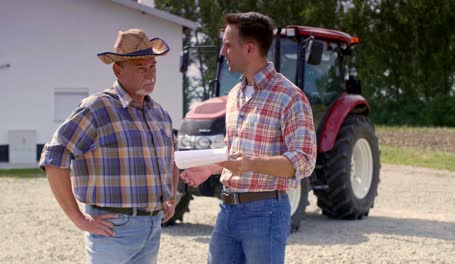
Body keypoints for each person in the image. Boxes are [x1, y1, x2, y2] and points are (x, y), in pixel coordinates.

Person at [180, 12, 316, 264]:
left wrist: (252, 163)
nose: (223, 51)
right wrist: (208, 169)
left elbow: (304, 161)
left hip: (266, 212)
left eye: (228, 44)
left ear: (250, 48)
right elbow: (233, 154)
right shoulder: (234, 95)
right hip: (228, 208)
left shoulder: (290, 96)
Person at [39, 29, 178, 264]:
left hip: (152, 226)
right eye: (141, 68)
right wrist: (78, 218)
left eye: (153, 66)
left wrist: (171, 198)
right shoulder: (97, 108)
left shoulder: (159, 113)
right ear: (117, 69)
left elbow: (172, 158)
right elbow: (54, 157)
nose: (150, 74)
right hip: (113, 228)